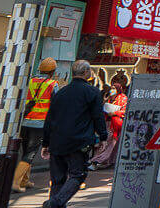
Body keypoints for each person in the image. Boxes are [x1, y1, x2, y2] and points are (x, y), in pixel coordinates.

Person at [41, 60, 108, 208]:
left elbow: (50, 118)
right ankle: (55, 203)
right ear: (87, 73)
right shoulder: (92, 92)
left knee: (58, 179)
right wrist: (103, 137)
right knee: (78, 175)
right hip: (79, 141)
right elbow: (98, 116)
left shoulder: (60, 93)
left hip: (57, 141)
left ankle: (55, 203)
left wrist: (45, 143)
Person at [15, 57, 60, 192]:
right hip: (40, 123)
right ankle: (15, 182)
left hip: (25, 121)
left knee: (25, 150)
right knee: (31, 152)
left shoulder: (30, 81)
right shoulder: (53, 84)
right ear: (52, 71)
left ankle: (24, 180)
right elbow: (56, 105)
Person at [88, 83, 127, 170]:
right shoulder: (109, 98)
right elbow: (102, 109)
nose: (112, 90)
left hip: (116, 124)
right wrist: (105, 101)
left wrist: (114, 113)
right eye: (111, 88)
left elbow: (125, 111)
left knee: (111, 144)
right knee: (106, 143)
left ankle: (98, 160)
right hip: (107, 123)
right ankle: (102, 160)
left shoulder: (123, 98)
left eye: (114, 88)